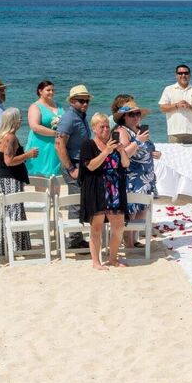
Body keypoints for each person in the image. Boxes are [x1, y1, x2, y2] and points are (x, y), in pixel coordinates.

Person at [79, 113, 129, 270]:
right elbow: (91, 166)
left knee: (119, 226)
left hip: (115, 189)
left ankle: (113, 259)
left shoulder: (114, 144)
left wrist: (121, 151)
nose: (106, 129)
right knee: (96, 228)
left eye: (108, 126)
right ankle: (96, 262)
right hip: (96, 189)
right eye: (102, 126)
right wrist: (106, 152)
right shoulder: (88, 145)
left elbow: (126, 164)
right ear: (94, 128)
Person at [0, 107, 39, 256]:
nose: (20, 121)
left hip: (1, 177)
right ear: (14, 121)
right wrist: (28, 155)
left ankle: (6, 246)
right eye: (18, 118)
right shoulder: (10, 138)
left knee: (6, 210)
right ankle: (17, 248)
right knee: (15, 210)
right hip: (11, 178)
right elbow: (9, 161)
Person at [114, 103, 160, 248]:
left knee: (142, 208)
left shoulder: (139, 130)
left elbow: (144, 149)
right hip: (132, 177)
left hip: (145, 177)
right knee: (132, 210)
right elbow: (124, 153)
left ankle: (133, 239)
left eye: (137, 114)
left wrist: (154, 153)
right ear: (124, 117)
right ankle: (128, 241)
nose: (135, 117)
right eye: (131, 115)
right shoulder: (122, 131)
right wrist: (138, 141)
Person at [55, 84, 93, 249]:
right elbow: (59, 144)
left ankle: (76, 237)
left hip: (80, 164)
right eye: (81, 101)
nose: (84, 104)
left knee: (80, 200)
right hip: (73, 164)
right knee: (76, 201)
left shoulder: (81, 116)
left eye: (86, 101)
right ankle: (73, 240)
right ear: (72, 101)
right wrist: (70, 168)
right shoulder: (70, 117)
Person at [158, 64, 192, 144]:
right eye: (180, 73)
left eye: (186, 73)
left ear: (190, 75)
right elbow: (162, 108)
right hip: (174, 132)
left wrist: (190, 107)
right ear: (176, 75)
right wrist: (176, 105)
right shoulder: (168, 89)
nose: (183, 75)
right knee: (175, 156)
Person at [24, 79, 64, 177]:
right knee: (40, 175)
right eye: (48, 90)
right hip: (40, 144)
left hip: (56, 145)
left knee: (55, 176)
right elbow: (35, 126)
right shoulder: (35, 106)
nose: (51, 92)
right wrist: (56, 133)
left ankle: (55, 193)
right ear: (40, 91)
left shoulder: (58, 105)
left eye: (53, 90)